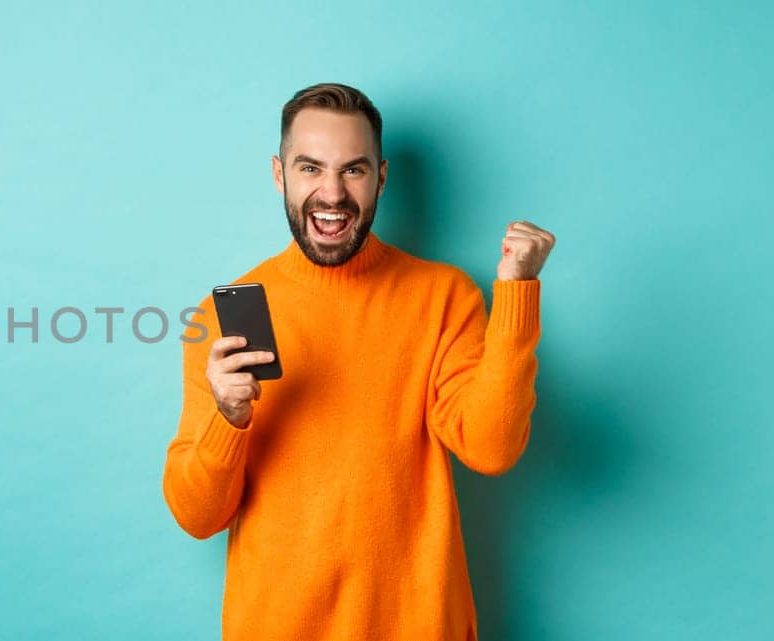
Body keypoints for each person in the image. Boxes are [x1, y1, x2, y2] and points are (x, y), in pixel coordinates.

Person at [161, 82, 556, 641]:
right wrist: (228, 418)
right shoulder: (229, 317)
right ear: (279, 175)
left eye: (353, 170)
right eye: (310, 168)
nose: (332, 193)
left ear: (381, 177)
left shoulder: (441, 296)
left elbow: (491, 448)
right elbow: (197, 516)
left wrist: (517, 293)